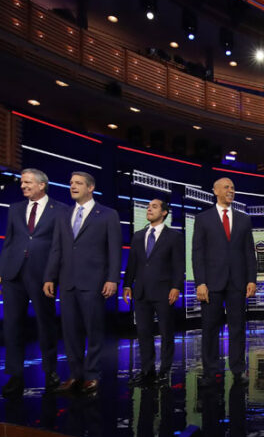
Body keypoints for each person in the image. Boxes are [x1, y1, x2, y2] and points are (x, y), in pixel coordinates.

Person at [43, 171, 121, 394]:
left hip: (94, 282)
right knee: (69, 332)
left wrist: (112, 279)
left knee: (93, 331)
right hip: (67, 282)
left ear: (90, 187)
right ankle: (75, 375)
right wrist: (50, 276)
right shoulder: (63, 215)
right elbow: (56, 248)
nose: (73, 186)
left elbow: (114, 250)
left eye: (78, 183)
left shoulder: (107, 214)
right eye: (70, 183)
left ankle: (92, 375)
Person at [0, 168, 68, 397]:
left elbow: (61, 246)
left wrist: (54, 274)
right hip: (13, 274)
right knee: (11, 325)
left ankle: (50, 372)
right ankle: (15, 375)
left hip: (43, 275)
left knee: (46, 324)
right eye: (22, 183)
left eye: (27, 182)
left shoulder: (60, 210)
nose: (22, 186)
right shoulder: (15, 209)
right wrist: (2, 270)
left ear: (42, 185)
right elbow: (9, 241)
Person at [192, 177, 257, 388]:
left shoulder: (244, 219)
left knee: (237, 328)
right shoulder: (203, 219)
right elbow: (198, 253)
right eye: (227, 187)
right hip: (211, 283)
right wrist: (200, 282)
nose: (231, 190)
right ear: (216, 191)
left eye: (233, 188)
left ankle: (238, 369)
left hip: (237, 282)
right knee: (210, 328)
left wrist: (251, 279)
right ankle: (210, 371)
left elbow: (249, 252)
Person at [123, 198, 185, 387]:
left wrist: (176, 287)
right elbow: (132, 263)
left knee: (166, 332)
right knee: (143, 333)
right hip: (141, 291)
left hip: (164, 291)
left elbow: (178, 264)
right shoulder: (138, 236)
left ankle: (164, 371)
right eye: (148, 207)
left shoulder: (174, 237)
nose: (149, 209)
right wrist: (127, 285)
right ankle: (146, 371)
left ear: (164, 212)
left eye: (154, 207)